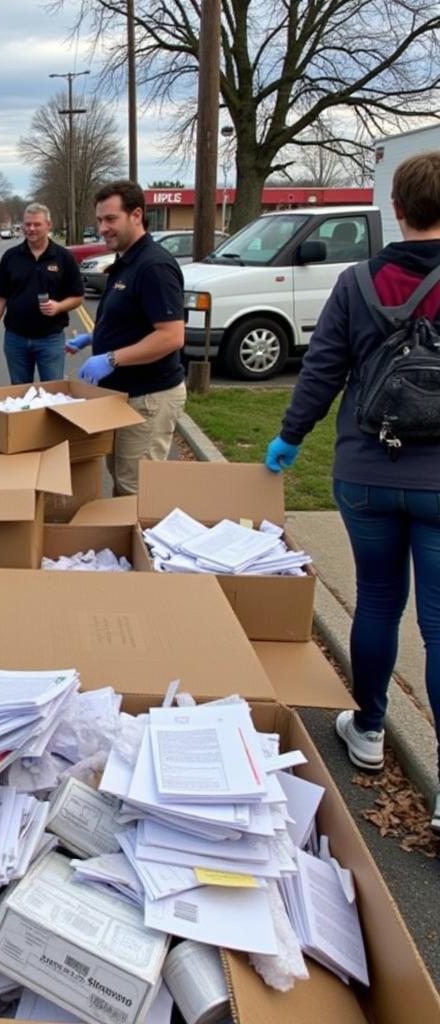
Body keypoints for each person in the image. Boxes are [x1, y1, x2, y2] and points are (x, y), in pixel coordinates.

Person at [264, 151, 440, 833]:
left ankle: (366, 728)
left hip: (367, 472)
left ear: (395, 206)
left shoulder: (357, 281)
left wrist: (289, 438)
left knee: (377, 601)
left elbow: (322, 371)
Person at [65, 181, 186, 496]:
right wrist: (95, 338)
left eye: (110, 219)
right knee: (120, 477)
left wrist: (111, 358)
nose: (102, 228)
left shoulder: (154, 266)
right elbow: (134, 320)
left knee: (136, 490)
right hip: (121, 396)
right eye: (100, 220)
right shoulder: (124, 260)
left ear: (136, 215)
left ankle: (139, 544)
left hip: (148, 397)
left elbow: (171, 336)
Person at [0, 203, 84, 384]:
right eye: (27, 224)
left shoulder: (63, 257)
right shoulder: (11, 257)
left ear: (48, 225)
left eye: (36, 224)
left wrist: (58, 307)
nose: (31, 229)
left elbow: (78, 297)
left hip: (50, 340)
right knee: (19, 396)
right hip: (15, 339)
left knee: (52, 394)